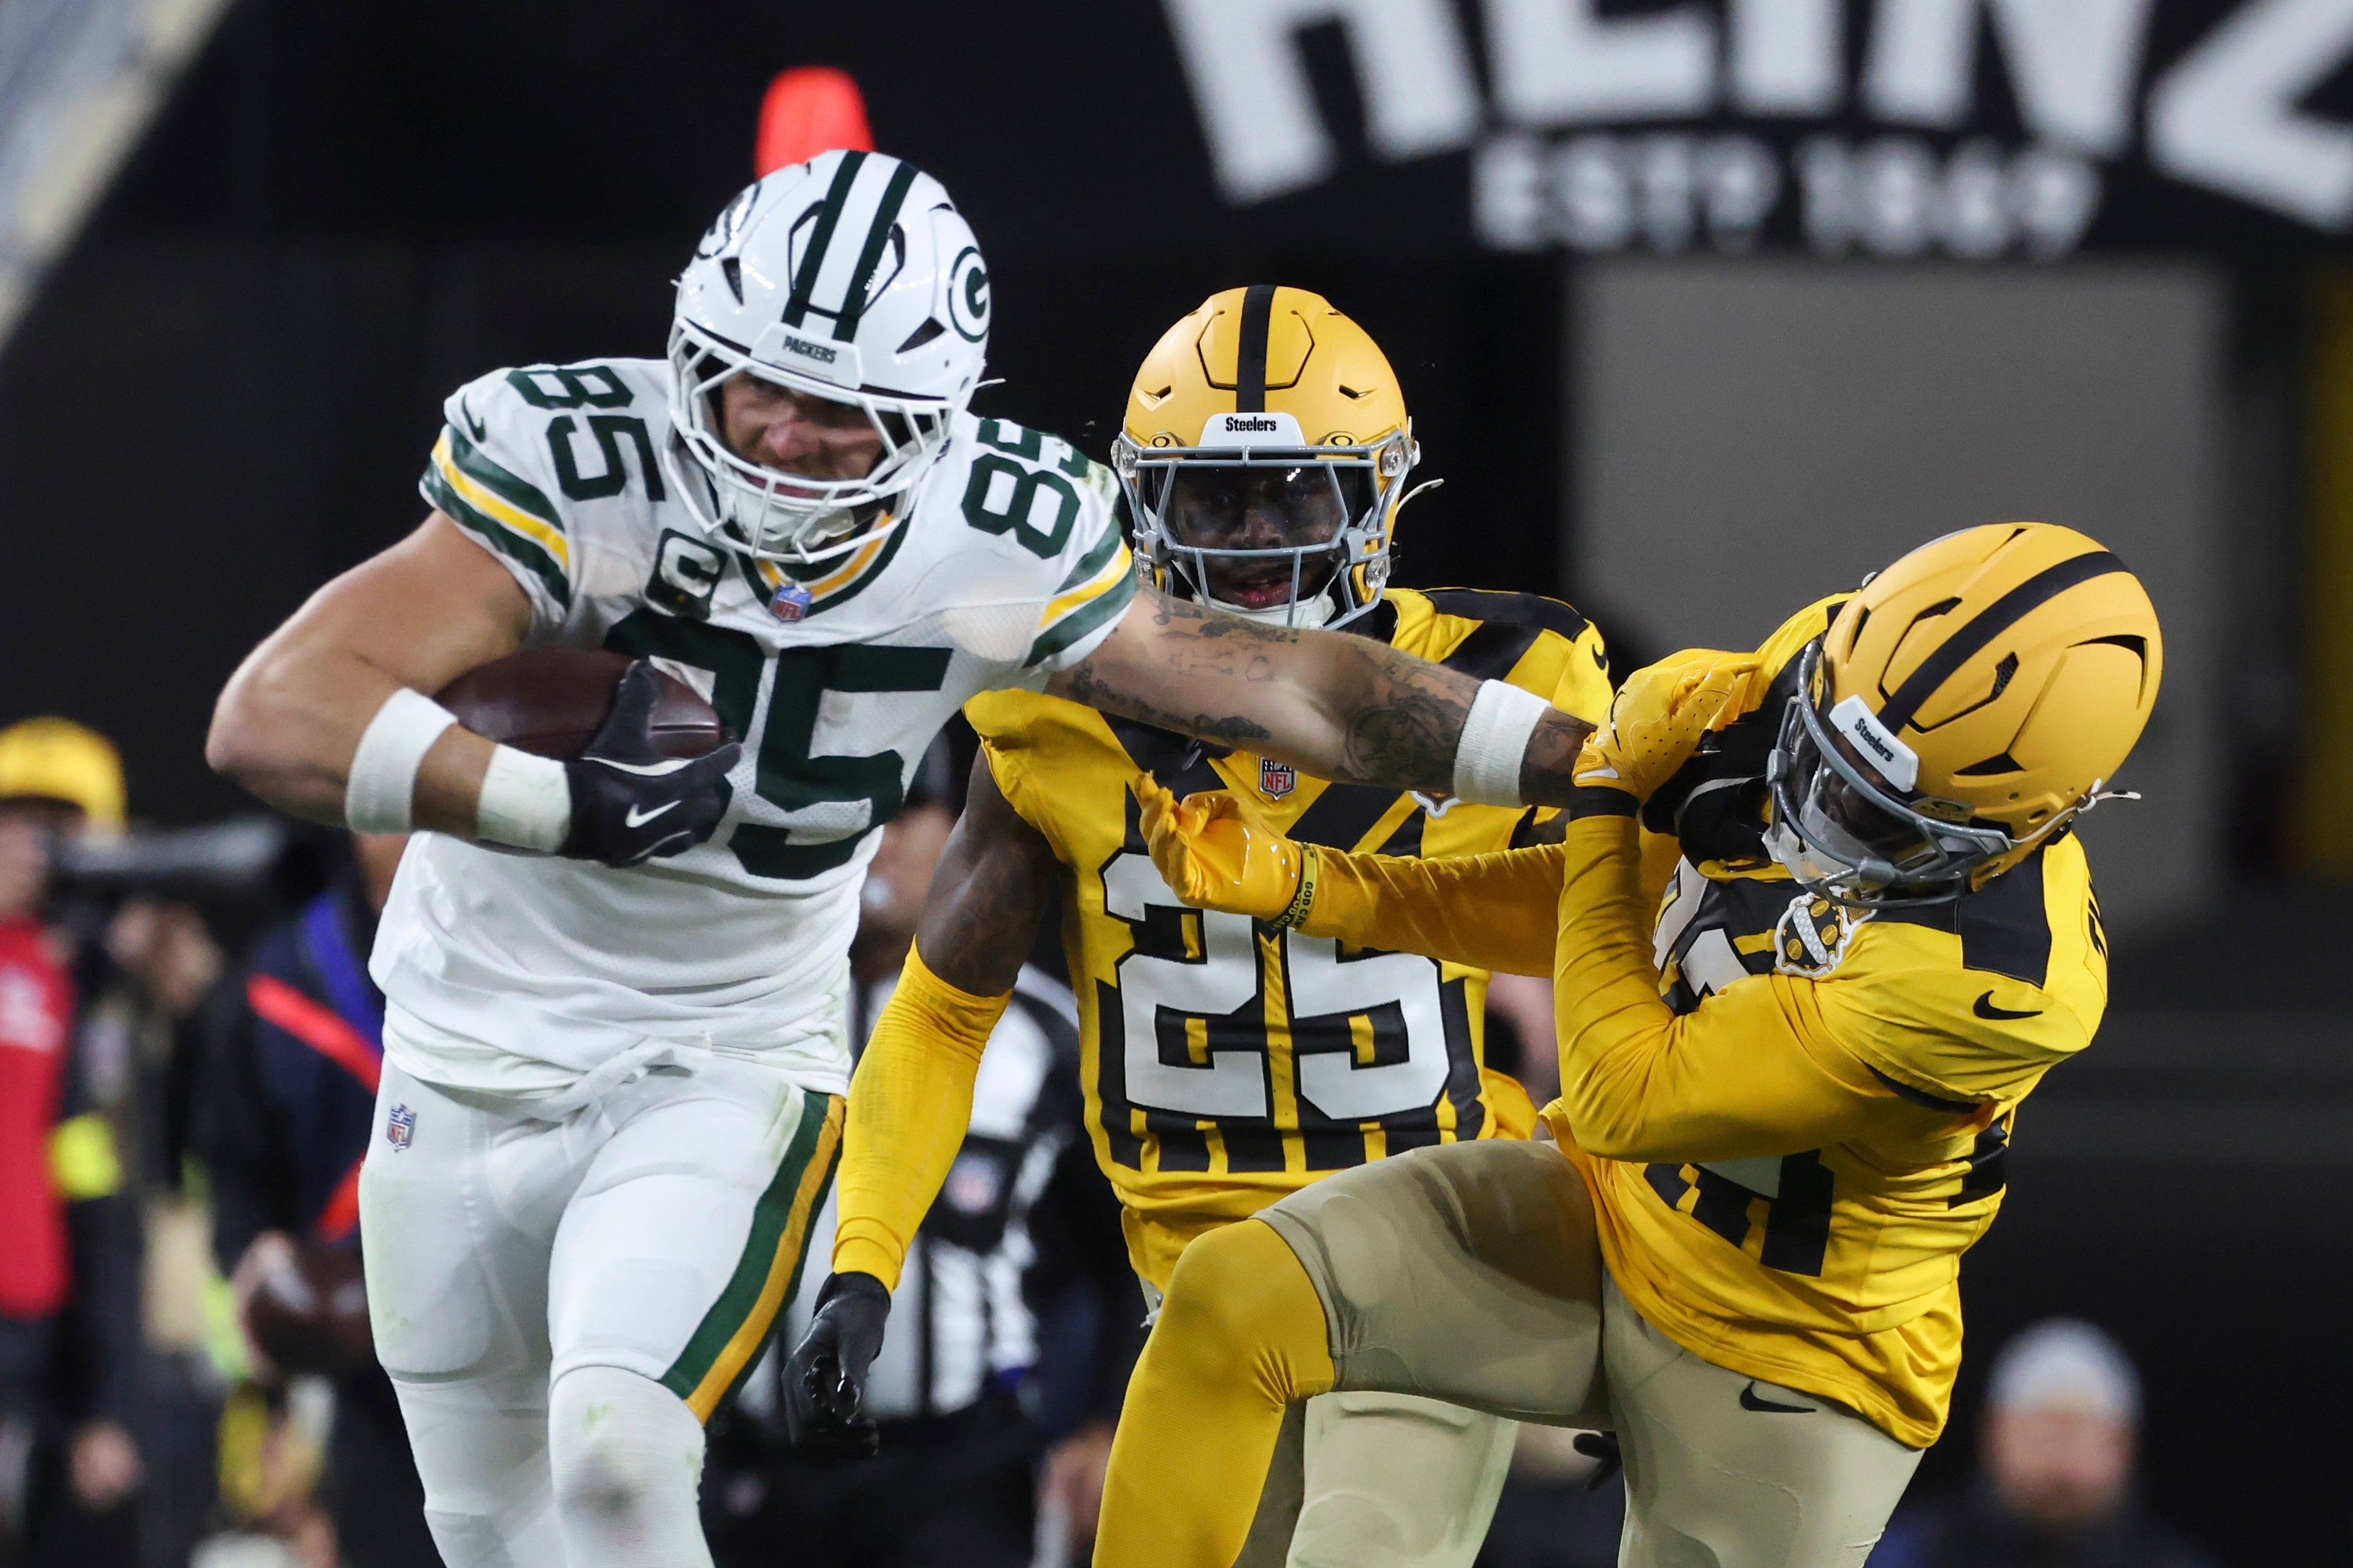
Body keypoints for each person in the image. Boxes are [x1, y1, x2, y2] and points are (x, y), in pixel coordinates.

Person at [202, 151, 1598, 1568]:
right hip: (463, 1036)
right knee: (485, 1524)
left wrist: (1604, 766)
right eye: (758, 386)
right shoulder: (582, 466)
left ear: (934, 422)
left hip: (727, 1047)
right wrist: (550, 799)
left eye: (841, 412)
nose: (784, 436)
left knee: (617, 1453)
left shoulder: (1002, 541)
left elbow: (1317, 699)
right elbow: (270, 713)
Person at [1101, 522, 2163, 1567]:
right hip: (1614, 1213)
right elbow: (1629, 906)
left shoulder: (1995, 979)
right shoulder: (1824, 662)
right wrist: (1315, 886)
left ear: (2027, 825)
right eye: (1823, 756)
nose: (1822, 810)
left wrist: (1605, 797)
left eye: (1885, 817)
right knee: (1234, 1292)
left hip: (1789, 1356)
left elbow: (1623, 1087)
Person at [786, 288, 1615, 1568]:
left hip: (1439, 1254)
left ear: (1380, 495)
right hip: (1190, 1290)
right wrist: (864, 1259)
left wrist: (1633, 1270)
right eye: (1214, 501)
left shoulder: (1510, 679)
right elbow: (942, 1012)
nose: (1255, 538)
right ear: (1141, 503)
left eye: (1294, 495)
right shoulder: (1052, 709)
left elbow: (1639, 972)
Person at [705, 745, 1132, 1567]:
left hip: (956, 1466)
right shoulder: (719, 1021)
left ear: (961, 828)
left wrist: (1104, 1419)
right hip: (753, 1459)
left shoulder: (1047, 1034)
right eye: (845, 814)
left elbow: (1121, 1251)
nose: (874, 839)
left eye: (901, 812)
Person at [192, 829, 436, 1568]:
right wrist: (252, 1256)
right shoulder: (282, 980)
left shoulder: (535, 954)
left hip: (523, 1346)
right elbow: (233, 1168)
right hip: (356, 1370)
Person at [0, 720, 144, 1567]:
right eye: (15, 820)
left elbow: (97, 1204)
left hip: (35, 1338)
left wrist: (106, 1402)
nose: (34, 849)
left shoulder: (85, 990)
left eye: (59, 829)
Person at [1872, 1319, 2215, 1568]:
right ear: (1993, 1434)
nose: (2060, 1450)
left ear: (2124, 1446)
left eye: (2081, 1429)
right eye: (2041, 1425)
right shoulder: (1905, 1555)